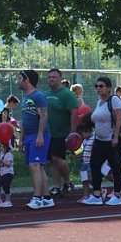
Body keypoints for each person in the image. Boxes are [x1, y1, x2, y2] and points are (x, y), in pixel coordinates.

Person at [82, 76, 121, 206]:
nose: (98, 89)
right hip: (99, 140)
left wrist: (115, 137)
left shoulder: (114, 100)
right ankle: (97, 194)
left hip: (111, 140)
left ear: (108, 88)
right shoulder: (99, 102)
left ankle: (117, 195)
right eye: (97, 86)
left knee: (115, 167)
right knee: (94, 166)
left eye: (101, 86)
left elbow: (119, 119)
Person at [17, 70, 53, 209]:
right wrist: (21, 139)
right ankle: (47, 198)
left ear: (26, 80)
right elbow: (24, 121)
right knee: (38, 167)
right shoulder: (25, 98)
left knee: (35, 166)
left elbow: (43, 116)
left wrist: (40, 135)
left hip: (38, 135)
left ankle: (37, 198)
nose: (18, 81)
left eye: (19, 78)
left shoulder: (38, 96)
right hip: (29, 136)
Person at [44, 68, 78, 197]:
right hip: (48, 133)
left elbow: (74, 114)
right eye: (49, 77)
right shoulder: (45, 94)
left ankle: (68, 181)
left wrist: (72, 133)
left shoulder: (67, 94)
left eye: (54, 77)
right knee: (52, 161)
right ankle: (57, 186)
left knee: (57, 158)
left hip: (62, 133)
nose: (51, 79)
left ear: (60, 79)